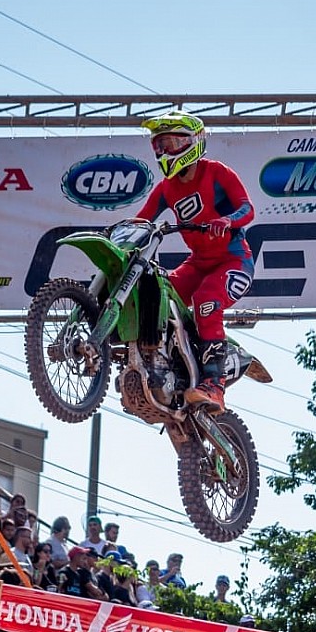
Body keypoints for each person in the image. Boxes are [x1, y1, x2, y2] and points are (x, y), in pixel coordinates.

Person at [133, 109, 255, 413]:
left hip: (234, 260)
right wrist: (122, 234)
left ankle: (215, 384)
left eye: (172, 143)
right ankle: (167, 363)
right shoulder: (165, 189)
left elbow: (247, 208)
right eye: (159, 145)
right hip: (198, 262)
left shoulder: (217, 173)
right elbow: (141, 221)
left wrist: (227, 220)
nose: (165, 151)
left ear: (193, 142)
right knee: (158, 293)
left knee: (206, 299)